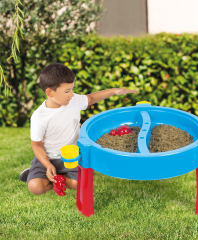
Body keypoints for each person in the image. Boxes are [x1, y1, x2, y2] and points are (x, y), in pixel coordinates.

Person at [19, 62, 138, 195]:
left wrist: (114, 91)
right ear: (50, 92)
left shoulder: (73, 100)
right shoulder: (39, 117)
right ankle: (36, 175)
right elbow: (36, 145)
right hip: (48, 158)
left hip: (73, 157)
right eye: (67, 91)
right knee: (35, 187)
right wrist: (47, 165)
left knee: (77, 184)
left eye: (72, 89)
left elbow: (91, 98)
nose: (71, 94)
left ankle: (56, 179)